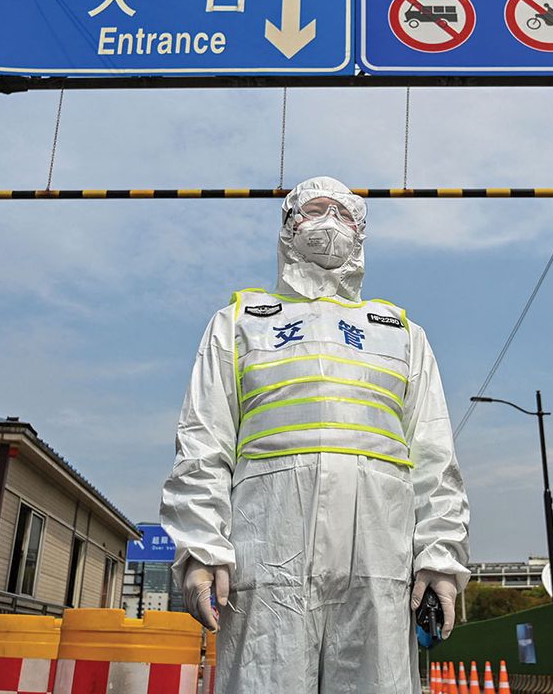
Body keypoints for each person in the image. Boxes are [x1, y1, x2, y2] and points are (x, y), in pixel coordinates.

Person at [161, 176, 471, 693]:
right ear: (288, 228)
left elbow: (435, 456)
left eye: (345, 214)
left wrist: (439, 557)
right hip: (268, 554)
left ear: (362, 233)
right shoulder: (238, 324)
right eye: (315, 209)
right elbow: (202, 443)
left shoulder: (400, 334)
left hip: (380, 558)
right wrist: (201, 551)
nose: (330, 222)